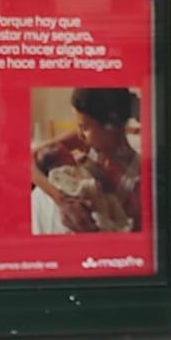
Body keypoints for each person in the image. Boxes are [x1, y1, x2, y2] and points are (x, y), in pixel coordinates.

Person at [30, 88, 141, 234]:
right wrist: (61, 200)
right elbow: (27, 159)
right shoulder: (84, 140)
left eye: (84, 127)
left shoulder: (136, 180)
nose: (80, 134)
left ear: (111, 125)